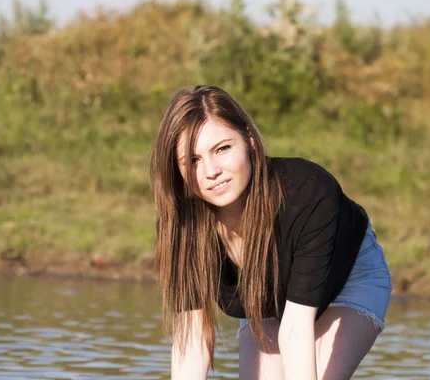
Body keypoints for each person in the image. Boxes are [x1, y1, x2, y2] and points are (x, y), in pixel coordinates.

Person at [149, 85, 392, 380]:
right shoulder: (181, 225)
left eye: (222, 149)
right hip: (265, 299)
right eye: (194, 160)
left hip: (346, 280)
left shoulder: (309, 193)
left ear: (249, 141)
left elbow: (295, 326)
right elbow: (192, 339)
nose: (211, 171)